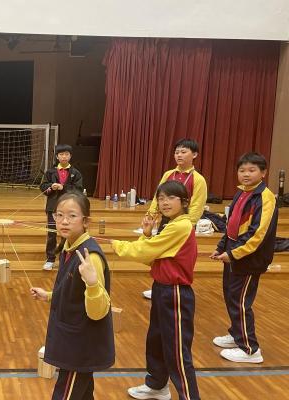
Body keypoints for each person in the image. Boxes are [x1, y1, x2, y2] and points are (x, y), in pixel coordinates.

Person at [101, 181, 200, 400]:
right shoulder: (171, 225)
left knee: (177, 352)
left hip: (175, 293)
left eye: (171, 198)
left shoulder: (181, 226)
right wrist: (146, 235)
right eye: (161, 198)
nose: (165, 203)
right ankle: (157, 386)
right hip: (161, 289)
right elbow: (152, 257)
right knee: (156, 341)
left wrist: (117, 244)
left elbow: (145, 252)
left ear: (184, 202)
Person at [30, 191, 114, 399]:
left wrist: (93, 283)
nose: (64, 221)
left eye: (72, 216)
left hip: (80, 347)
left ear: (86, 221)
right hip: (72, 340)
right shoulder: (69, 248)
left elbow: (98, 311)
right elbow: (72, 292)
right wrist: (49, 295)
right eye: (59, 215)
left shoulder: (90, 257)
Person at [210, 152, 278, 364]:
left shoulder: (265, 197)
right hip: (234, 254)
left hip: (248, 259)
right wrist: (221, 247)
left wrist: (233, 254)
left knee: (240, 302)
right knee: (231, 297)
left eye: (252, 170)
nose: (246, 174)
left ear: (263, 173)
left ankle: (250, 349)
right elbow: (231, 225)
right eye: (242, 170)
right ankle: (237, 334)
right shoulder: (242, 192)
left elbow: (258, 234)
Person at [143, 138, 207, 300]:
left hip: (182, 224)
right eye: (177, 152)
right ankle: (158, 283)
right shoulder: (168, 174)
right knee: (160, 253)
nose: (179, 155)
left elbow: (197, 205)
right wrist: (151, 214)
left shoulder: (198, 179)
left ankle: (177, 287)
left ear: (194, 155)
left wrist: (187, 224)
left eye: (183, 152)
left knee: (176, 257)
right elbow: (158, 196)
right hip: (166, 220)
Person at [39, 144, 84, 271]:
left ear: (70, 156)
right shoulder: (50, 172)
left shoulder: (75, 173)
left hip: (69, 208)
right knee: (52, 233)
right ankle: (50, 259)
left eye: (66, 154)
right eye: (61, 154)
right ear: (57, 157)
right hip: (53, 208)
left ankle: (65, 259)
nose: (64, 157)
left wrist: (63, 187)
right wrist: (50, 187)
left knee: (67, 233)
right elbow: (42, 187)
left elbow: (79, 190)